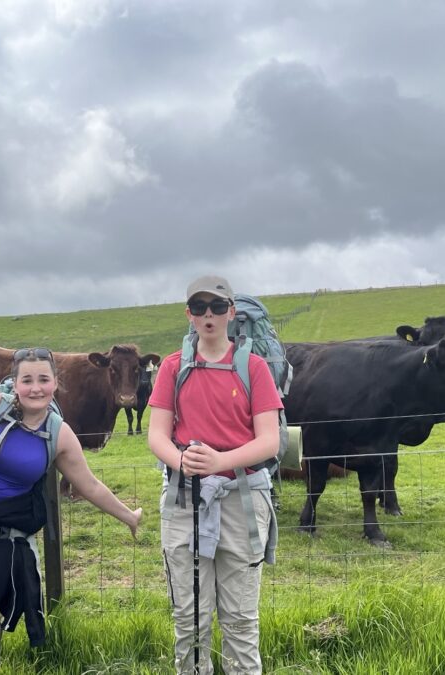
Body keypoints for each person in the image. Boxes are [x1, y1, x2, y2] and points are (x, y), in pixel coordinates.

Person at [0, 346, 143, 674]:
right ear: (15, 382)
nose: (35, 388)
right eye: (27, 380)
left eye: (43, 380)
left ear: (56, 383)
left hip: (0, 540)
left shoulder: (58, 433)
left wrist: (128, 516)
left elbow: (90, 485)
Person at [148, 276, 282, 675]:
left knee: (240, 619)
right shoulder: (173, 367)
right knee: (189, 618)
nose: (209, 314)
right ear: (189, 314)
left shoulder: (254, 368)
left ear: (231, 313)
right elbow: (157, 435)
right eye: (200, 307)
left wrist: (219, 462)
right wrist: (182, 461)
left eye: (218, 307)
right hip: (184, 498)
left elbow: (270, 441)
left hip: (241, 498)